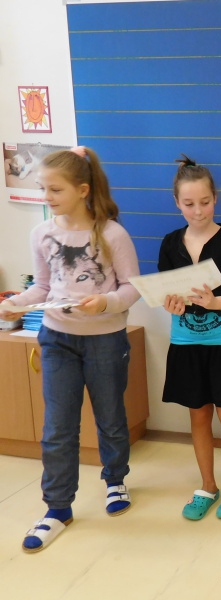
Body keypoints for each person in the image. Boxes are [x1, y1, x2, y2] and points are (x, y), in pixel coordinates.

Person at [0, 147, 141, 552]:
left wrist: (105, 303)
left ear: (82, 190)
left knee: (110, 417)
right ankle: (57, 508)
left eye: (55, 189)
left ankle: (115, 479)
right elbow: (43, 287)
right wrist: (17, 303)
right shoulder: (41, 233)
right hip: (57, 338)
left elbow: (132, 288)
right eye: (42, 188)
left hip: (105, 339)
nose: (47, 197)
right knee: (58, 428)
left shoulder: (112, 234)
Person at [158, 155, 221, 520]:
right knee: (198, 416)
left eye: (205, 202)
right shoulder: (170, 243)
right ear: (177, 203)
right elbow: (165, 294)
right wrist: (171, 304)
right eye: (189, 204)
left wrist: (216, 302)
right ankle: (207, 485)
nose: (198, 211)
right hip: (186, 345)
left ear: (215, 198)